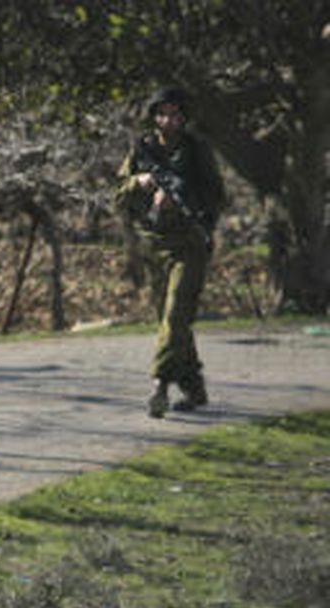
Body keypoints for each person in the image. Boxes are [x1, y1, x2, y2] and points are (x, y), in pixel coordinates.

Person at [115, 86, 227, 418]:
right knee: (171, 321)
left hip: (190, 244)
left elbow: (217, 197)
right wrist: (143, 183)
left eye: (175, 114)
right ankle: (193, 387)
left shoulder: (197, 151)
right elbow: (118, 197)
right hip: (154, 246)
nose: (169, 120)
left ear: (184, 116)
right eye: (163, 113)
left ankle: (159, 386)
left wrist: (182, 199)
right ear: (155, 116)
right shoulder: (142, 149)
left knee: (177, 314)